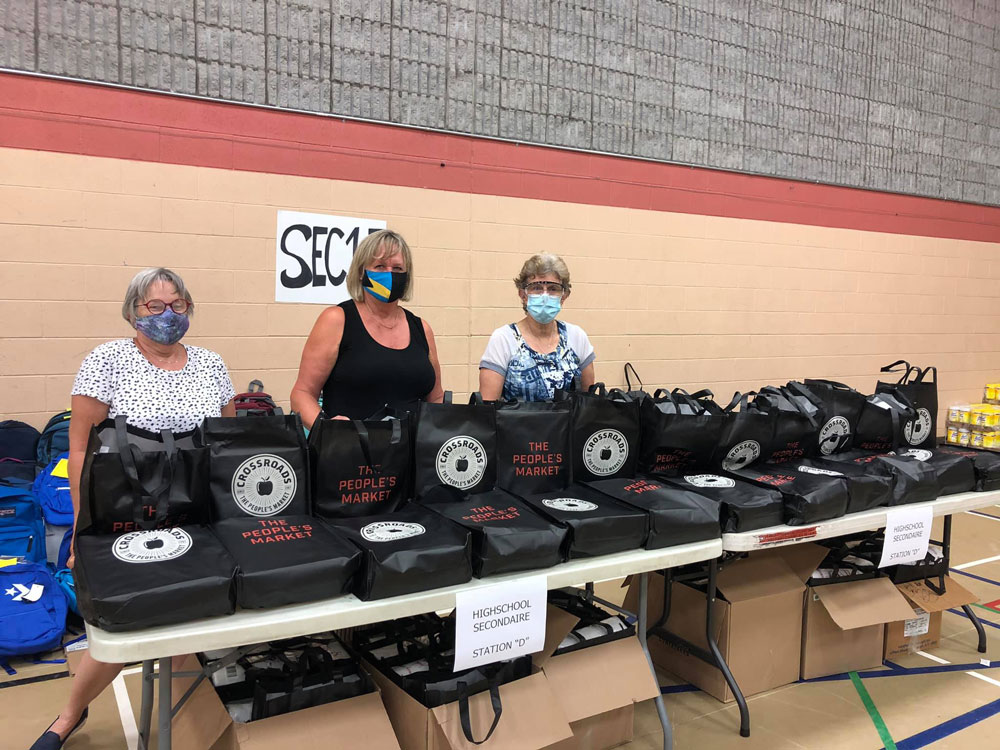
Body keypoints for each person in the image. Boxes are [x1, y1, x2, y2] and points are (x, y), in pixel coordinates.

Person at [31, 268, 235, 750]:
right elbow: (78, 448)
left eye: (177, 305)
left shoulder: (211, 363)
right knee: (126, 619)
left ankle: (194, 701)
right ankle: (69, 715)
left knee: (196, 605)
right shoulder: (108, 360)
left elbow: (228, 444)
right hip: (127, 505)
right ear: (132, 311)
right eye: (154, 305)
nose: (167, 314)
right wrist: (83, 526)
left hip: (195, 504)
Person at [291, 229, 443, 426]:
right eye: (380, 266)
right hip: (352, 452)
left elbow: (436, 399)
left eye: (397, 268)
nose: (389, 274)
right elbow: (301, 394)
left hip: (413, 453)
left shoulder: (422, 329)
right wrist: (328, 429)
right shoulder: (337, 320)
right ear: (362, 272)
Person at [479, 253, 595, 401]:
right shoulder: (503, 339)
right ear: (523, 295)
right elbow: (487, 408)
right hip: (514, 424)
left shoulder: (577, 337)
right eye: (536, 288)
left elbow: (589, 403)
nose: (545, 295)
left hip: (570, 424)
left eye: (553, 288)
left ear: (564, 296)